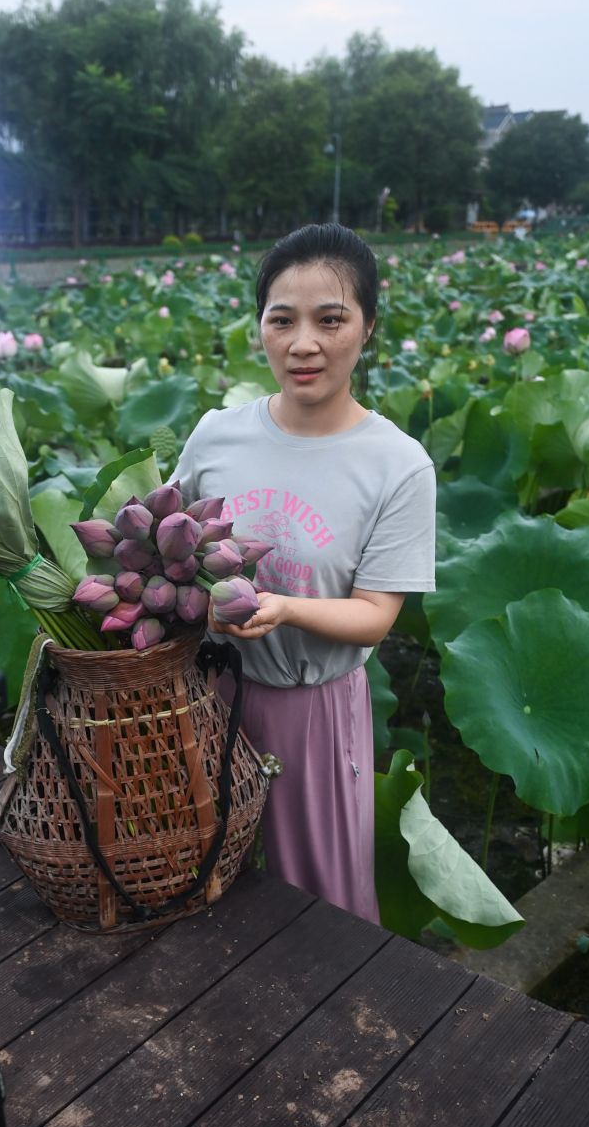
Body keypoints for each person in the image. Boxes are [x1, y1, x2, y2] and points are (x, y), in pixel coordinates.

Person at [172, 223, 436, 923]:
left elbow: (374, 615)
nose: (303, 344)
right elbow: (171, 548)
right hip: (204, 692)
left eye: (331, 320)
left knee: (319, 907)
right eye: (282, 319)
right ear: (260, 325)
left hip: (311, 709)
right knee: (198, 891)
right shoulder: (216, 433)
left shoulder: (398, 464)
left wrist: (283, 607)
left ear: (368, 327)